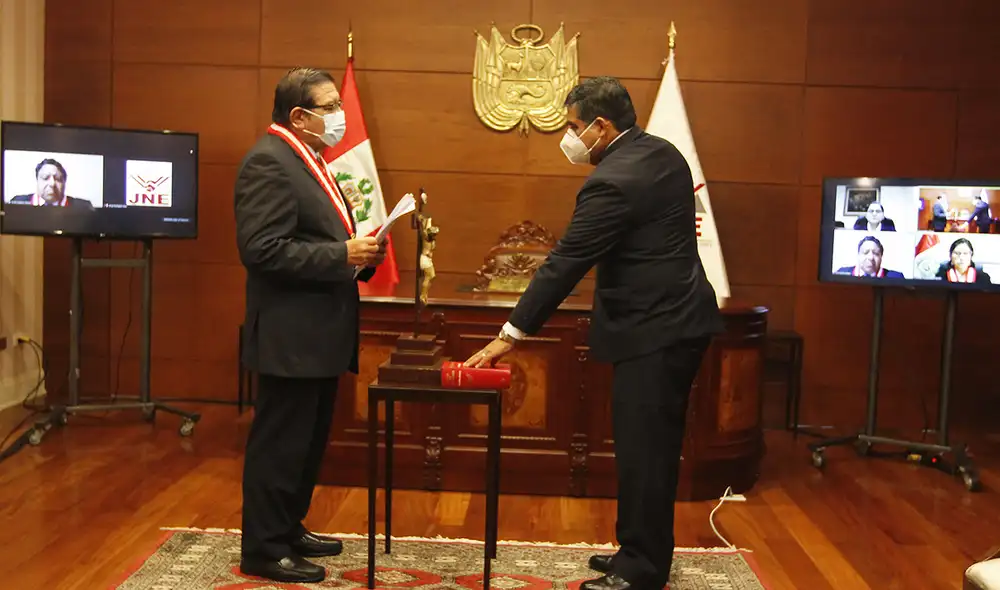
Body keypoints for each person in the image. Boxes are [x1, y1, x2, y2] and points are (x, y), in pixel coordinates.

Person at [465, 76, 723, 590]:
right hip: (678, 321)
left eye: (574, 127)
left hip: (654, 330)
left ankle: (641, 570)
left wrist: (510, 334)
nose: (569, 137)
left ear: (602, 127)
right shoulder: (664, 153)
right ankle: (636, 549)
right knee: (644, 446)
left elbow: (563, 265)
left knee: (644, 451)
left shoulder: (611, 181)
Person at [234, 66, 384, 584]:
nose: (339, 117)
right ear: (299, 116)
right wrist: (341, 252)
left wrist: (358, 254)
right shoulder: (269, 163)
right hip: (289, 335)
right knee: (280, 443)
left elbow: (317, 239)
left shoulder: (307, 158)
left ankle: (288, 527)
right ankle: (263, 548)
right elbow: (262, 250)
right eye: (329, 108)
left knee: (307, 441)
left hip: (318, 333)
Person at [9, 158, 94, 208]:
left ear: (64, 182)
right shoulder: (17, 202)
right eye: (45, 178)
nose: (52, 183)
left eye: (57, 178)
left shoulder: (84, 206)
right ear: (37, 181)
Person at [835, 235, 904, 278]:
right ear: (858, 255)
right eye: (865, 252)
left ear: (881, 257)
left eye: (876, 253)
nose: (871, 257)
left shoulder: (896, 277)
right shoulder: (841, 273)